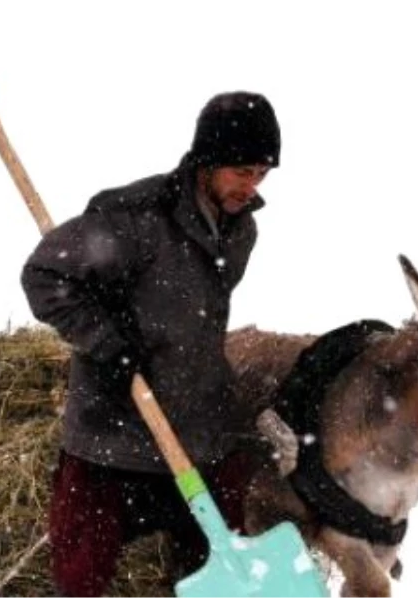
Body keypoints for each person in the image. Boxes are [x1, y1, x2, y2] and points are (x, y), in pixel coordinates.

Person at [20, 90, 281, 597]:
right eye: (241, 171)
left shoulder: (241, 231)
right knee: (79, 582)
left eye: (262, 174)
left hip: (195, 439)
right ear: (207, 160)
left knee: (225, 574)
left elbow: (195, 324)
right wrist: (106, 341)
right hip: (110, 439)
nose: (252, 186)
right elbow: (44, 275)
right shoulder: (135, 219)